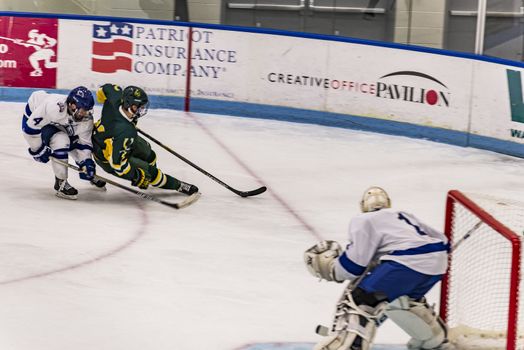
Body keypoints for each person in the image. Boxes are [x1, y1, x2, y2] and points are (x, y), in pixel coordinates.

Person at [304, 187, 453, 350]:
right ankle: (435, 341)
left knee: (361, 301)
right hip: (437, 265)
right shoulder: (402, 214)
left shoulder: (364, 220)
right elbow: (442, 241)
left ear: (363, 206)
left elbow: (354, 266)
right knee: (403, 303)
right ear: (388, 203)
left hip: (406, 262)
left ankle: (347, 344)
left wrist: (332, 268)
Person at [92, 83, 199, 195]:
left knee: (149, 154)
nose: (141, 110)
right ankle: (176, 184)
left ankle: (155, 179)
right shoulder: (126, 131)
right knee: (149, 174)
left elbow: (102, 90)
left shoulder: (115, 95)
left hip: (110, 138)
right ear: (128, 104)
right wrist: (136, 175)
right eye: (137, 107)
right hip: (106, 158)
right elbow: (117, 164)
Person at [22, 86, 105, 200]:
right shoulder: (53, 108)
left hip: (58, 122)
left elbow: (84, 143)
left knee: (73, 139)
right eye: (82, 110)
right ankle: (61, 182)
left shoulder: (85, 118)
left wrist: (86, 162)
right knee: (61, 141)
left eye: (88, 110)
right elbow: (30, 129)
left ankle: (85, 169)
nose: (85, 114)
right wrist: (38, 149)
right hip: (36, 116)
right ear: (72, 105)